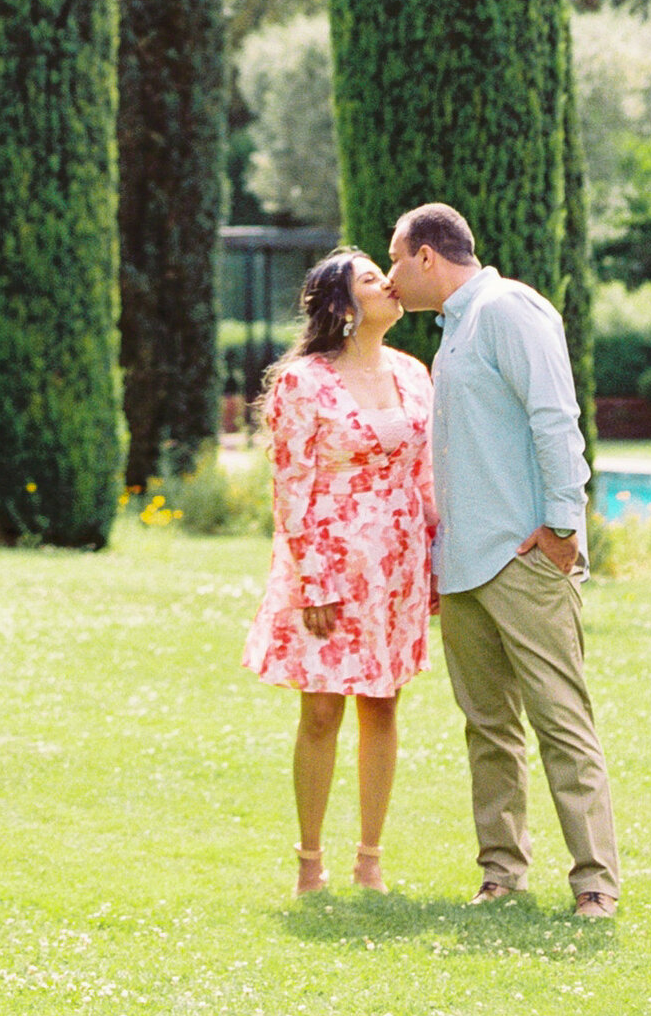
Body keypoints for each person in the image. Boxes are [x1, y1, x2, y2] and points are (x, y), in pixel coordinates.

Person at [388, 201, 621, 919]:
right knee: (487, 727)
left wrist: (562, 525)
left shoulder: (509, 309)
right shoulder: (453, 334)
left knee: (560, 720)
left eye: (396, 258)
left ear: (428, 255)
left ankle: (595, 884)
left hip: (522, 561)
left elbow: (556, 416)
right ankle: (501, 874)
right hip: (461, 565)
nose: (391, 275)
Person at [243, 248, 438, 896]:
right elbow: (291, 485)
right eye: (370, 279)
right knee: (323, 711)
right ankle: (309, 862)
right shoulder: (304, 382)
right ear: (342, 306)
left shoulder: (414, 374)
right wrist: (314, 581)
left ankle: (370, 858)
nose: (389, 285)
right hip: (329, 566)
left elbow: (425, 471)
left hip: (397, 569)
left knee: (382, 706)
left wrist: (435, 559)